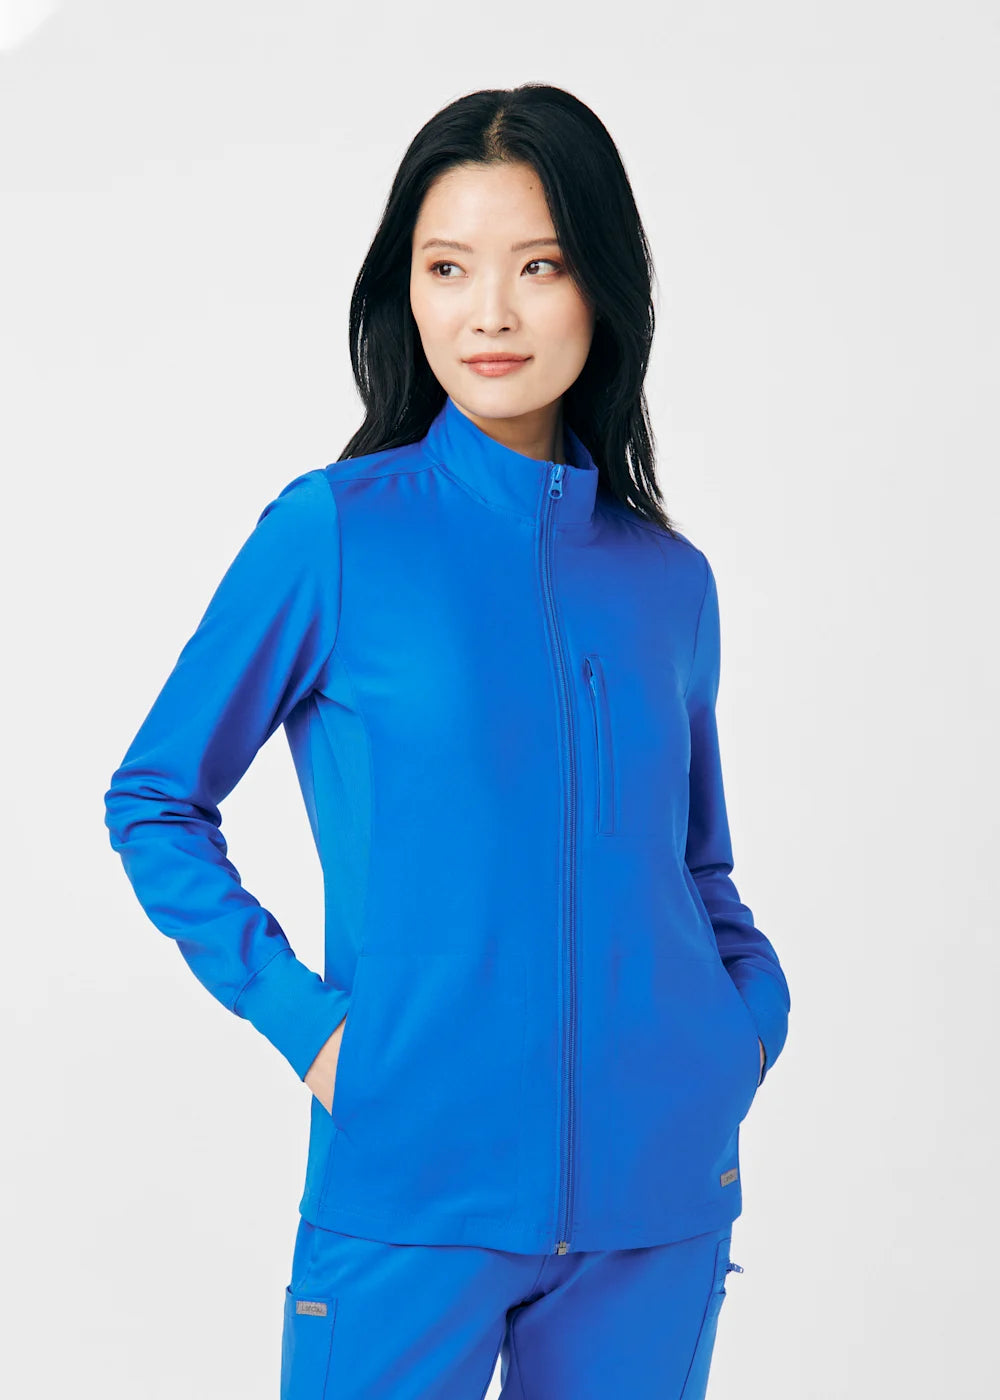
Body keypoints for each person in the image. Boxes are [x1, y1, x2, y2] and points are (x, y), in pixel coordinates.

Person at [104, 82, 791, 1399]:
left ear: (603, 286)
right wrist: (314, 1031)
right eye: (447, 267)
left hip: (659, 1199)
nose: (490, 312)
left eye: (539, 265)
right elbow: (154, 799)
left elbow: (696, 866)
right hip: (408, 1184)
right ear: (405, 294)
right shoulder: (335, 534)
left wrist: (745, 1026)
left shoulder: (669, 580)